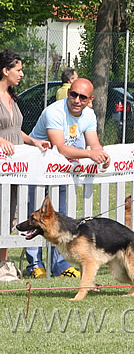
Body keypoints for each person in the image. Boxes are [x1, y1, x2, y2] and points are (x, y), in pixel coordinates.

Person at [26, 78, 111, 278]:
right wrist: (90, 154)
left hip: (61, 172)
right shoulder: (54, 112)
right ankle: (35, 265)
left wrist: (102, 154)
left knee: (61, 218)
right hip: (36, 169)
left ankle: (61, 266)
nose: (76, 100)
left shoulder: (89, 114)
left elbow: (94, 143)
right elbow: (60, 148)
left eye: (82, 97)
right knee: (34, 218)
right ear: (68, 93)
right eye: (73, 94)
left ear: (90, 100)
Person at [0, 50, 50, 262]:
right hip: (1, 166)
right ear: (5, 70)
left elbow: (14, 130)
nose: (22, 74)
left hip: (15, 168)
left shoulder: (12, 97)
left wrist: (34, 141)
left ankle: (3, 263)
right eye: (18, 70)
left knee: (8, 214)